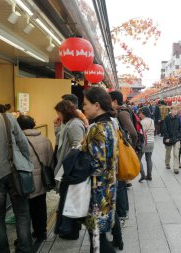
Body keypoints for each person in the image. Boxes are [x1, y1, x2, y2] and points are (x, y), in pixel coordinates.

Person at [0, 111, 33, 253]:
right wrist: (26, 163)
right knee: (22, 213)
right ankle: (25, 248)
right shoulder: (5, 117)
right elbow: (22, 142)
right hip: (15, 171)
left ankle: (2, 250)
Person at [82, 87, 119, 253]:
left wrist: (79, 153)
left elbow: (97, 165)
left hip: (97, 192)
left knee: (97, 238)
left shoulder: (98, 128)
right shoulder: (110, 124)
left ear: (97, 105)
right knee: (97, 238)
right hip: (108, 188)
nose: (84, 108)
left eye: (86, 104)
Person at [17, 115, 54, 242]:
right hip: (43, 181)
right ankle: (41, 232)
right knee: (41, 206)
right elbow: (50, 160)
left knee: (25, 210)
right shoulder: (45, 139)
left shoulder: (19, 141)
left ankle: (25, 238)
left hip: (26, 182)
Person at [53, 100, 85, 240]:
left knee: (68, 199)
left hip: (69, 168)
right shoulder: (69, 123)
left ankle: (70, 231)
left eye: (59, 113)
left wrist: (68, 169)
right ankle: (67, 229)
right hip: (67, 167)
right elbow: (60, 140)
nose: (58, 115)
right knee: (66, 198)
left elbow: (77, 147)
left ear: (64, 111)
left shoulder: (75, 125)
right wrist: (56, 126)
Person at [109, 90, 137, 220]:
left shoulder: (122, 113)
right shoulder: (122, 111)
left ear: (114, 101)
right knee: (121, 183)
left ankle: (123, 212)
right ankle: (124, 210)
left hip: (122, 149)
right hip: (122, 149)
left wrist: (130, 147)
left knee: (120, 182)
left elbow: (133, 132)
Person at [162, 105, 181, 175]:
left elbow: (179, 127)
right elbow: (164, 128)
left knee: (176, 153)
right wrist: (167, 137)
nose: (176, 111)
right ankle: (167, 163)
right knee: (168, 152)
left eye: (176, 110)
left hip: (176, 138)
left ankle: (175, 168)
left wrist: (179, 133)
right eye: (174, 110)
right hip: (169, 138)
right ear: (171, 110)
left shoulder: (178, 118)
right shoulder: (167, 118)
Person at [138, 107, 155, 182]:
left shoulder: (142, 122)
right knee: (149, 159)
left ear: (144, 113)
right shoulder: (152, 121)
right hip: (151, 142)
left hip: (144, 142)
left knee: (138, 159)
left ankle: (143, 174)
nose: (139, 114)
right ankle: (149, 176)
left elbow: (141, 133)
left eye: (140, 113)